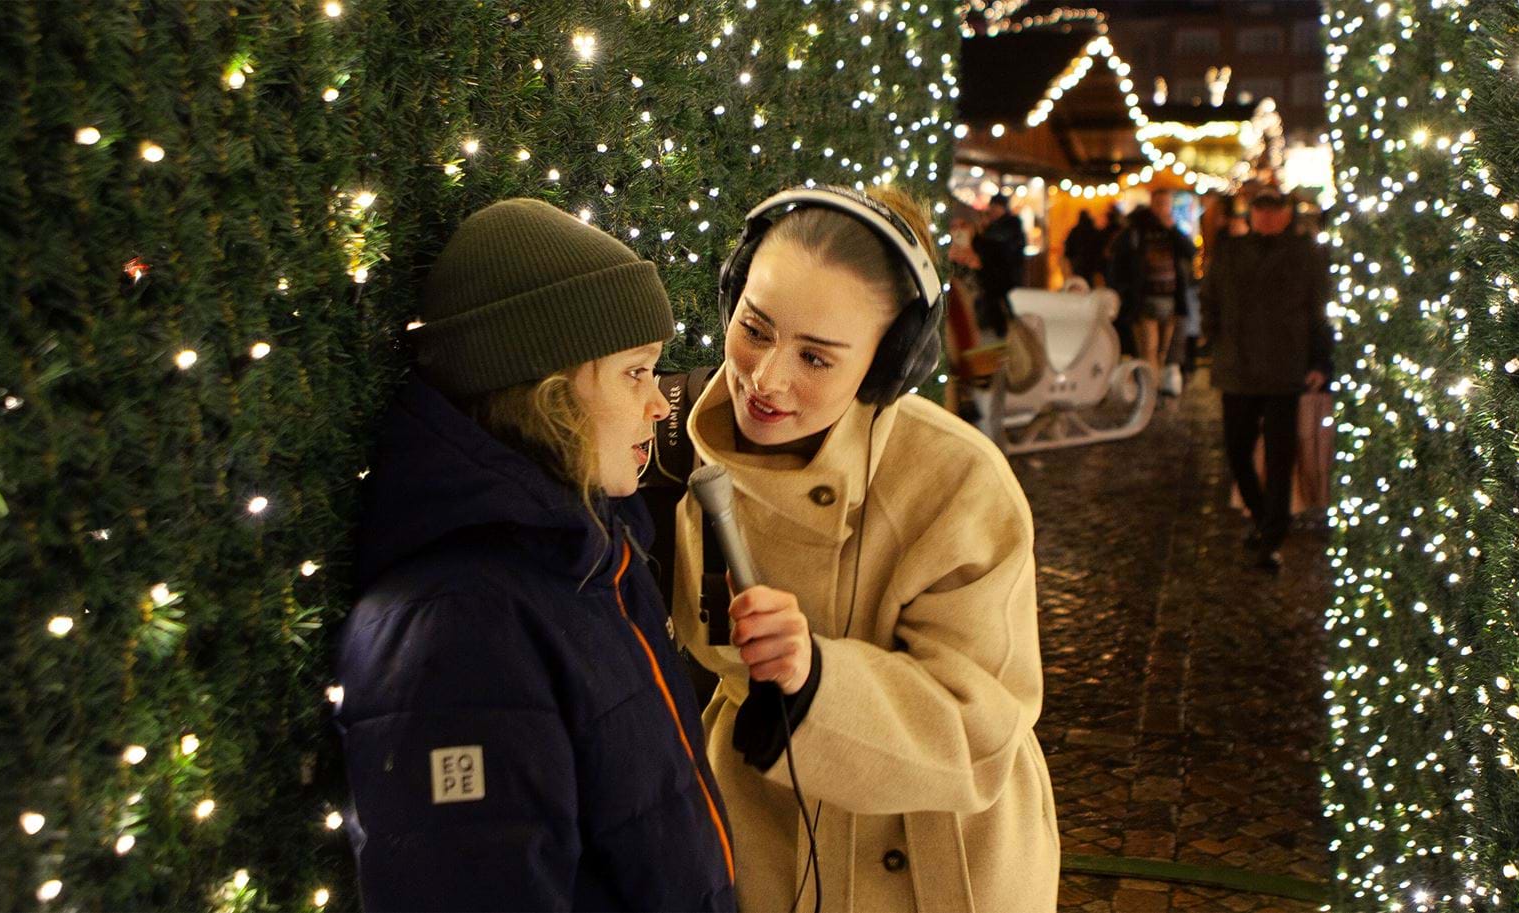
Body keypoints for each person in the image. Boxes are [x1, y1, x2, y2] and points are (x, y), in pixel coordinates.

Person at [666, 184, 1057, 912]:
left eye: (816, 358)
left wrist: (819, 679)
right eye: (754, 327)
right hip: (766, 836)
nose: (765, 378)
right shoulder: (679, 450)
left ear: (888, 364)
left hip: (939, 864)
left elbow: (982, 723)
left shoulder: (957, 482)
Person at [340, 199, 739, 911]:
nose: (660, 405)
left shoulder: (590, 553)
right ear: (550, 392)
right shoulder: (455, 628)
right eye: (634, 373)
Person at [1201, 187, 1331, 571]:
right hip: (1238, 368)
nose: (1267, 216)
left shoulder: (1306, 254)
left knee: (1279, 457)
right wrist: (1217, 337)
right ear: (1252, 213)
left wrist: (1320, 362)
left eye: (1275, 210)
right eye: (1261, 210)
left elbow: (1319, 311)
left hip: (1284, 369)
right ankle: (1263, 517)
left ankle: (1273, 533)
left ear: (1287, 214)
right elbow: (1210, 298)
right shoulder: (1231, 251)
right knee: (1238, 450)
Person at [1108, 187, 1198, 398]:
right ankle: (1150, 389)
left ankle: (1154, 383)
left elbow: (1190, 252)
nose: (1162, 209)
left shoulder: (1173, 231)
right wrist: (1123, 290)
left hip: (1171, 299)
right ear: (1152, 204)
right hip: (1145, 299)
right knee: (1149, 347)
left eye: (1166, 204)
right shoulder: (1136, 230)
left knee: (1164, 350)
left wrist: (1173, 229)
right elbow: (1117, 259)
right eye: (1159, 204)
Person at [969, 193, 1027, 338]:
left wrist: (982, 234)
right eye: (991, 207)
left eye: (995, 207)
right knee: (998, 304)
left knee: (1000, 305)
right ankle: (1005, 332)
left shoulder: (1009, 224)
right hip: (995, 275)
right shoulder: (994, 226)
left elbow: (997, 245)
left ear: (1003, 208)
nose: (992, 210)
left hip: (1003, 274)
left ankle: (1007, 333)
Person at [1061, 208, 1109, 291]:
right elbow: (1100, 245)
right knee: (1089, 282)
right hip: (1091, 261)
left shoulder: (1075, 231)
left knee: (1080, 282)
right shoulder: (1093, 230)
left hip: (1079, 262)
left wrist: (1069, 257)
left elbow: (1069, 246)